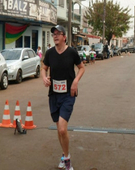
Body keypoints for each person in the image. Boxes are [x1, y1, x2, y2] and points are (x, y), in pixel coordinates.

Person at [41, 25, 85, 170]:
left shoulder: (72, 52)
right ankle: (64, 154)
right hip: (54, 95)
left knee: (62, 129)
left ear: (64, 37)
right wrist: (44, 78)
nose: (55, 36)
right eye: (54, 34)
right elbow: (44, 67)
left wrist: (75, 81)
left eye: (58, 34)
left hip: (68, 95)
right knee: (59, 128)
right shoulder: (50, 53)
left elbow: (82, 68)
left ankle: (67, 160)